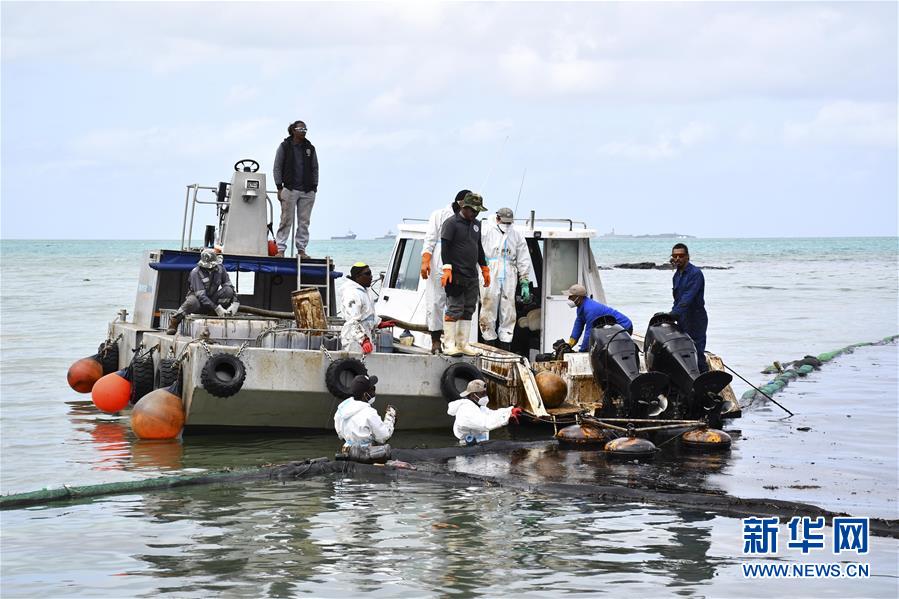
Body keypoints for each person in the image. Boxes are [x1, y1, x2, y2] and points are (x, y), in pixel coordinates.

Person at [440, 192, 490, 356]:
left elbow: (478, 247)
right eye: (473, 210)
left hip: (471, 275)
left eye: (477, 211)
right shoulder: (451, 223)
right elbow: (445, 247)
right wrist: (447, 268)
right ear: (464, 207)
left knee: (469, 309)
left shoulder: (476, 224)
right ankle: (448, 344)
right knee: (454, 308)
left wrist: (484, 267)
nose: (475, 214)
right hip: (456, 274)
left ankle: (463, 343)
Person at [420, 189, 470, 353]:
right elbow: (430, 239)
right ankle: (435, 341)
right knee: (435, 301)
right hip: (439, 261)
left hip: (459, 263)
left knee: (456, 303)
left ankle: (453, 342)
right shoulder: (439, 215)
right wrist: (426, 260)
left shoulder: (469, 218)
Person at [479, 207, 533, 350]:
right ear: (497, 219)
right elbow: (477, 250)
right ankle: (488, 343)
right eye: (504, 222)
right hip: (490, 269)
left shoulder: (516, 234)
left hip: (509, 271)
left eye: (509, 223)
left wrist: (525, 280)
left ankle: (505, 345)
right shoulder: (486, 230)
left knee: (509, 309)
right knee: (488, 306)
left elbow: (523, 258)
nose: (507, 225)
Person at [273, 120, 319, 259]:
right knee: (286, 219)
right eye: (301, 128)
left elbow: (315, 168)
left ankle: (301, 250)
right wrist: (279, 187)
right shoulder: (284, 146)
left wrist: (314, 187)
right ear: (293, 130)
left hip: (307, 190)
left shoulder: (310, 148)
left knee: (304, 222)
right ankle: (280, 249)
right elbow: (277, 167)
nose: (303, 131)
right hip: (289, 188)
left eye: (305, 129)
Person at [166, 249, 237, 334]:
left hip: (212, 298)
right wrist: (217, 308)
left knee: (228, 291)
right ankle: (175, 321)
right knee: (192, 302)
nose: (211, 269)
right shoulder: (195, 273)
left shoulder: (221, 269)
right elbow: (201, 296)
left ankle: (214, 314)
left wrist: (235, 302)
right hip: (198, 300)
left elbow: (229, 285)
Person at [333, 374, 396, 462]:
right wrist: (391, 417)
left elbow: (340, 434)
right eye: (372, 389)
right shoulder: (369, 413)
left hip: (346, 450)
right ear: (365, 395)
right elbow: (383, 436)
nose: (374, 392)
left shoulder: (342, 407)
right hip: (365, 453)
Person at [669, 243, 709, 372]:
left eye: (681, 255)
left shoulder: (695, 274)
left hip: (696, 318)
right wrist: (669, 316)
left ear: (687, 257)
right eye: (675, 256)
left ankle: (705, 384)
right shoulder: (676, 275)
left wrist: (673, 314)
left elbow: (687, 298)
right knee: (683, 351)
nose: (677, 258)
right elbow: (678, 300)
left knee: (697, 352)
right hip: (682, 318)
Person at [446, 379, 522, 445]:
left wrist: (510, 410)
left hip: (480, 447)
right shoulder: (466, 410)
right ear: (473, 395)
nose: (485, 396)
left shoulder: (479, 408)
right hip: (468, 453)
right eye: (482, 394)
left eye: (485, 393)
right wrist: (507, 418)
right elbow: (485, 423)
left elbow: (492, 414)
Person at [340, 262, 394, 354]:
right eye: (367, 274)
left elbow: (368, 313)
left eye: (371, 273)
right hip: (354, 341)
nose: (371, 277)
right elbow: (352, 321)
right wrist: (363, 339)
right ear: (357, 276)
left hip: (367, 339)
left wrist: (379, 323)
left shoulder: (365, 291)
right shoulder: (352, 294)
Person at [564, 284, 633, 352]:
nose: (568, 299)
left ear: (579, 297)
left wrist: (582, 350)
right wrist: (570, 344)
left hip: (624, 327)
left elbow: (589, 332)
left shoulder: (590, 309)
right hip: (610, 328)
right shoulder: (580, 307)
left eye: (571, 297)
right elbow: (578, 326)